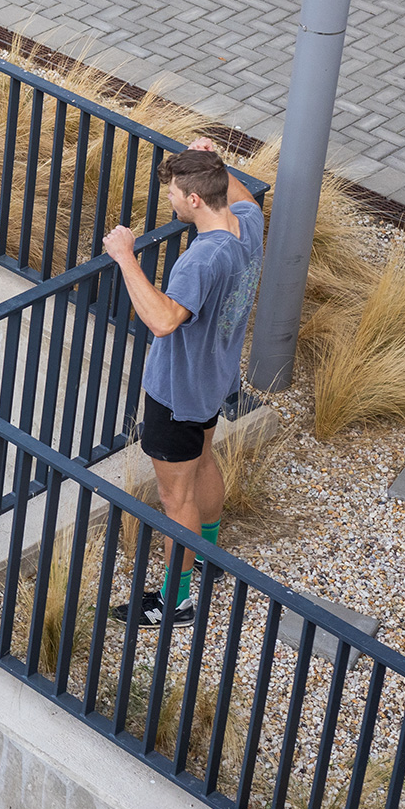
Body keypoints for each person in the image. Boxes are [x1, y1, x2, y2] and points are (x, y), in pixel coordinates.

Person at [101, 138, 262, 628]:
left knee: (176, 499)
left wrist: (125, 256)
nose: (168, 199)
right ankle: (207, 556)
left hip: (178, 393)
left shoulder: (203, 259)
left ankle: (177, 602)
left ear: (194, 199)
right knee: (202, 462)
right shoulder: (247, 224)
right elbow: (241, 194)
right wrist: (214, 162)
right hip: (214, 380)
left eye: (172, 192)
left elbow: (164, 319)